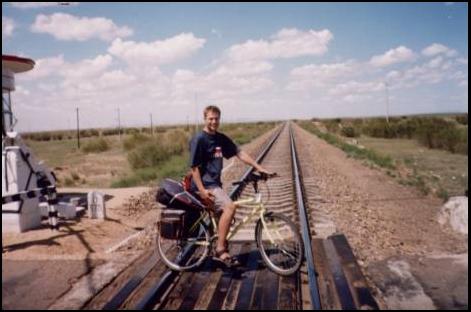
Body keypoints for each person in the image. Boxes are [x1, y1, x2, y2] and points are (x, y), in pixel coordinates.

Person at [189, 105, 272, 267]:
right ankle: (220, 249)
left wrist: (258, 167)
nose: (214, 121)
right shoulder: (199, 139)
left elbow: (239, 152)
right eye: (210, 118)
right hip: (204, 186)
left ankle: (219, 245)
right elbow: (194, 168)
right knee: (230, 207)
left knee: (223, 216)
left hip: (215, 184)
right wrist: (202, 191)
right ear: (204, 119)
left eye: (216, 118)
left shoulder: (220, 138)